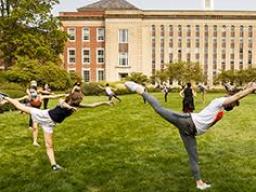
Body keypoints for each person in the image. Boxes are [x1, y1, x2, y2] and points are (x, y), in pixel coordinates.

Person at [124, 81, 256, 190]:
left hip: (190, 132)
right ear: (229, 99)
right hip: (187, 122)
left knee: (194, 157)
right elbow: (236, 96)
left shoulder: (221, 108)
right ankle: (140, 89)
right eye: (233, 104)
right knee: (160, 109)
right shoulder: (219, 101)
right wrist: (251, 90)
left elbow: (236, 94)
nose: (233, 106)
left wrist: (248, 87)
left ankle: (199, 183)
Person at [0, 90, 112, 171]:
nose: (81, 101)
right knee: (20, 107)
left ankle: (54, 166)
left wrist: (104, 103)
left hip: (50, 124)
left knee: (49, 145)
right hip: (44, 115)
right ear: (74, 99)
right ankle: (5, 97)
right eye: (80, 99)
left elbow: (92, 105)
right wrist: (69, 107)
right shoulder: (64, 102)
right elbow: (61, 102)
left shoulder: (77, 105)